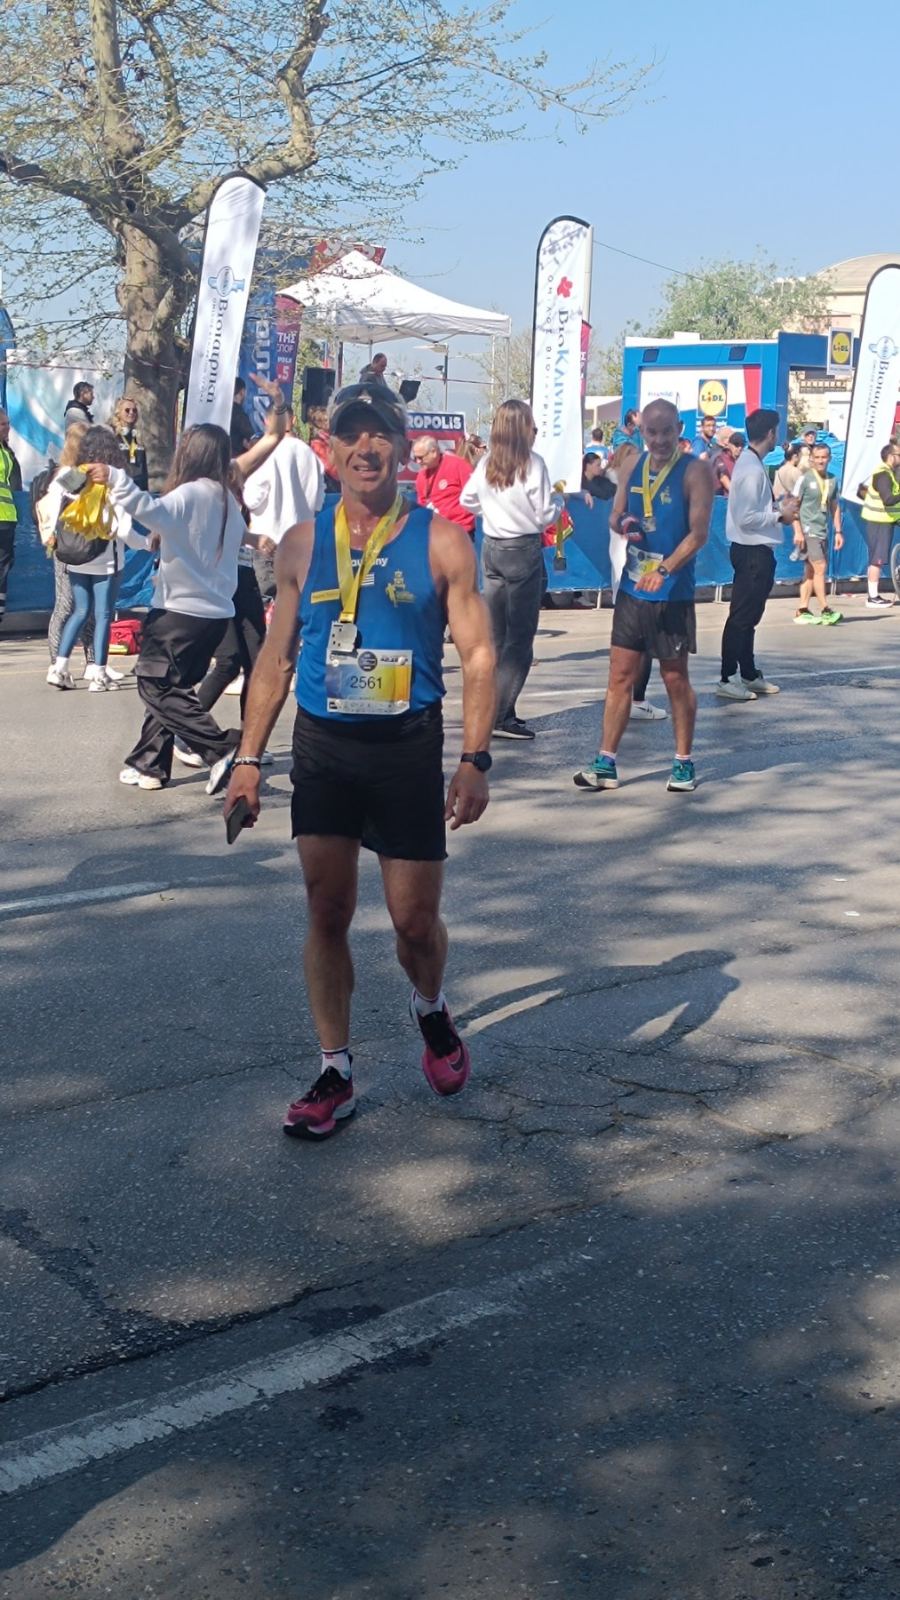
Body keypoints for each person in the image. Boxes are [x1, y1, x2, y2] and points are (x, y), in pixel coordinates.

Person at [222, 380, 496, 1140]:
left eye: (380, 435)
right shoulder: (301, 544)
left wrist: (475, 758)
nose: (365, 447)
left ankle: (430, 1009)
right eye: (351, 434)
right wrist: (248, 758)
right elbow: (276, 658)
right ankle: (335, 1070)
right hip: (325, 746)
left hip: (406, 747)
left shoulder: (442, 541)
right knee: (327, 909)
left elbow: (478, 655)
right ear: (330, 448)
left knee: (414, 923)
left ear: (403, 450)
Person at [84, 376, 289, 790]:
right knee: (172, 687)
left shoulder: (191, 493)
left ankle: (220, 748)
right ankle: (148, 763)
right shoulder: (227, 497)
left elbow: (148, 510)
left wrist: (116, 478)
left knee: (154, 682)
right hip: (213, 614)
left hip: (178, 612)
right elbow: (197, 531)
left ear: (191, 453)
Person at [573, 398, 713, 794]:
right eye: (652, 432)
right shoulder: (633, 464)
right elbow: (614, 515)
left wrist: (664, 569)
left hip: (672, 591)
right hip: (634, 588)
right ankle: (606, 762)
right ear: (642, 431)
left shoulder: (695, 470)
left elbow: (699, 534)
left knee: (674, 678)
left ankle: (683, 761)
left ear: (679, 429)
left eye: (667, 431)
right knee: (620, 675)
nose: (660, 439)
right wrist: (624, 523)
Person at [459, 398, 561, 740]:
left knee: (496, 635)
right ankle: (502, 715)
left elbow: (466, 500)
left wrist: (492, 511)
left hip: (492, 547)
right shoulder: (533, 463)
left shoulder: (488, 462)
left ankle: (488, 708)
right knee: (520, 638)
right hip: (522, 548)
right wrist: (558, 504)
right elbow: (545, 514)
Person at [45, 426, 148, 690]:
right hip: (106, 558)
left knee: (80, 611)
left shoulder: (73, 475)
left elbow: (51, 498)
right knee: (103, 615)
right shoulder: (113, 479)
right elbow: (124, 530)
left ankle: (59, 668)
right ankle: (99, 675)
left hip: (76, 556)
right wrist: (148, 544)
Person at [716, 408, 800, 701]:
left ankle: (748, 673)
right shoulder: (751, 469)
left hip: (756, 550)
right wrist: (780, 515)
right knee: (741, 617)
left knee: (750, 616)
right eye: (777, 430)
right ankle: (728, 676)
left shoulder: (751, 462)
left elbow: (753, 510)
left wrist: (778, 508)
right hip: (752, 551)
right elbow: (746, 517)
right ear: (770, 434)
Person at [603, 442, 668, 723]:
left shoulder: (635, 488)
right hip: (632, 566)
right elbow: (627, 524)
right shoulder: (629, 490)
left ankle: (631, 695)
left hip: (633, 565)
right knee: (640, 638)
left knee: (635, 637)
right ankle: (636, 699)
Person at [33, 424, 97, 677]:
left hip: (85, 545)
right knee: (66, 604)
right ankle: (56, 664)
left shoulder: (82, 471)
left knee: (87, 605)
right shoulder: (69, 474)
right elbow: (52, 501)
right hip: (67, 545)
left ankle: (92, 662)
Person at [242, 416, 325, 599]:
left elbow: (252, 498)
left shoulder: (266, 454)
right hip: (302, 543)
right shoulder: (309, 453)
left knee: (268, 602)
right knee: (296, 601)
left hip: (268, 542)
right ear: (293, 420)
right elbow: (320, 499)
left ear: (267, 422)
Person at [791, 443, 843, 625]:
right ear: (812, 459)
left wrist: (838, 531)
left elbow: (834, 506)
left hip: (823, 530)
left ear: (829, 458)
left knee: (811, 571)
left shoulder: (832, 480)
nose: (821, 461)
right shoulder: (804, 479)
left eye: (824, 457)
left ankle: (802, 609)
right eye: (817, 457)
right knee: (820, 567)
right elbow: (793, 506)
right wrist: (797, 531)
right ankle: (825, 609)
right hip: (808, 530)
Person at [860, 443, 900, 610]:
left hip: (888, 518)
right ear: (891, 457)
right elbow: (888, 499)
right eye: (899, 455)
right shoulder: (883, 474)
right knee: (877, 558)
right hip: (879, 520)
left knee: (878, 557)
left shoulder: (890, 472)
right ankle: (873, 597)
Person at [412, 435, 475, 534]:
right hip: (435, 531)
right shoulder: (421, 475)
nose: (418, 462)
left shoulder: (458, 465)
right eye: (415, 458)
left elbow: (474, 495)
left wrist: (458, 516)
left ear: (433, 452)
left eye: (421, 457)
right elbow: (421, 503)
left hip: (460, 530)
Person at [0, 407, 22, 629]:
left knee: (3, 569)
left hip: (6, 519)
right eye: (2, 424)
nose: (7, 427)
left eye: (8, 423)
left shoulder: (6, 452)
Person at [109, 397, 149, 489]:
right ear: (118, 413)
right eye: (127, 410)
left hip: (138, 487)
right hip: (120, 487)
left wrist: (145, 490)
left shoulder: (138, 435)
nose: (131, 413)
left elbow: (144, 468)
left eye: (134, 410)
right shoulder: (112, 434)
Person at [307, 404, 340, 493]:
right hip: (332, 488)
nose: (328, 422)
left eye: (328, 419)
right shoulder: (317, 444)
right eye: (325, 420)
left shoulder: (335, 437)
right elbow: (329, 468)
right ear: (318, 424)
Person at [713, 429, 745, 495]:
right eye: (736, 444)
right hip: (721, 499)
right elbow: (725, 481)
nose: (739, 448)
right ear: (729, 444)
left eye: (742, 445)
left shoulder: (742, 460)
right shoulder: (720, 459)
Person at [230, 378, 255, 457]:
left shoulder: (222, 411)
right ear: (242, 392)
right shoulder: (239, 414)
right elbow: (252, 440)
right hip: (235, 458)